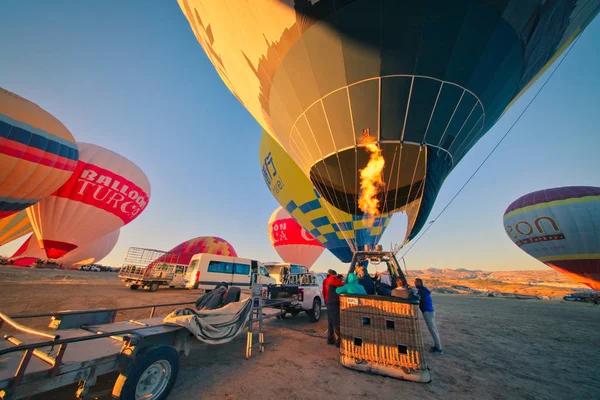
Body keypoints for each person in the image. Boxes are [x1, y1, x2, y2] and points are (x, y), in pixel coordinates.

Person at [412, 278, 443, 354]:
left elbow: (417, 297)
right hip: (429, 311)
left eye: (415, 283)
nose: (414, 284)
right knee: (433, 329)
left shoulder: (422, 291)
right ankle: (437, 345)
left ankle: (439, 348)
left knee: (432, 329)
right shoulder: (424, 289)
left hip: (428, 312)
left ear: (418, 283)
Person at [323, 270, 344, 346]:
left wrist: (326, 300)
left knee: (330, 321)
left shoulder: (325, 280)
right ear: (334, 274)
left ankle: (330, 339)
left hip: (328, 302)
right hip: (333, 302)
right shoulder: (333, 279)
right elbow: (341, 284)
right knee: (336, 322)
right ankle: (338, 341)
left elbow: (324, 291)